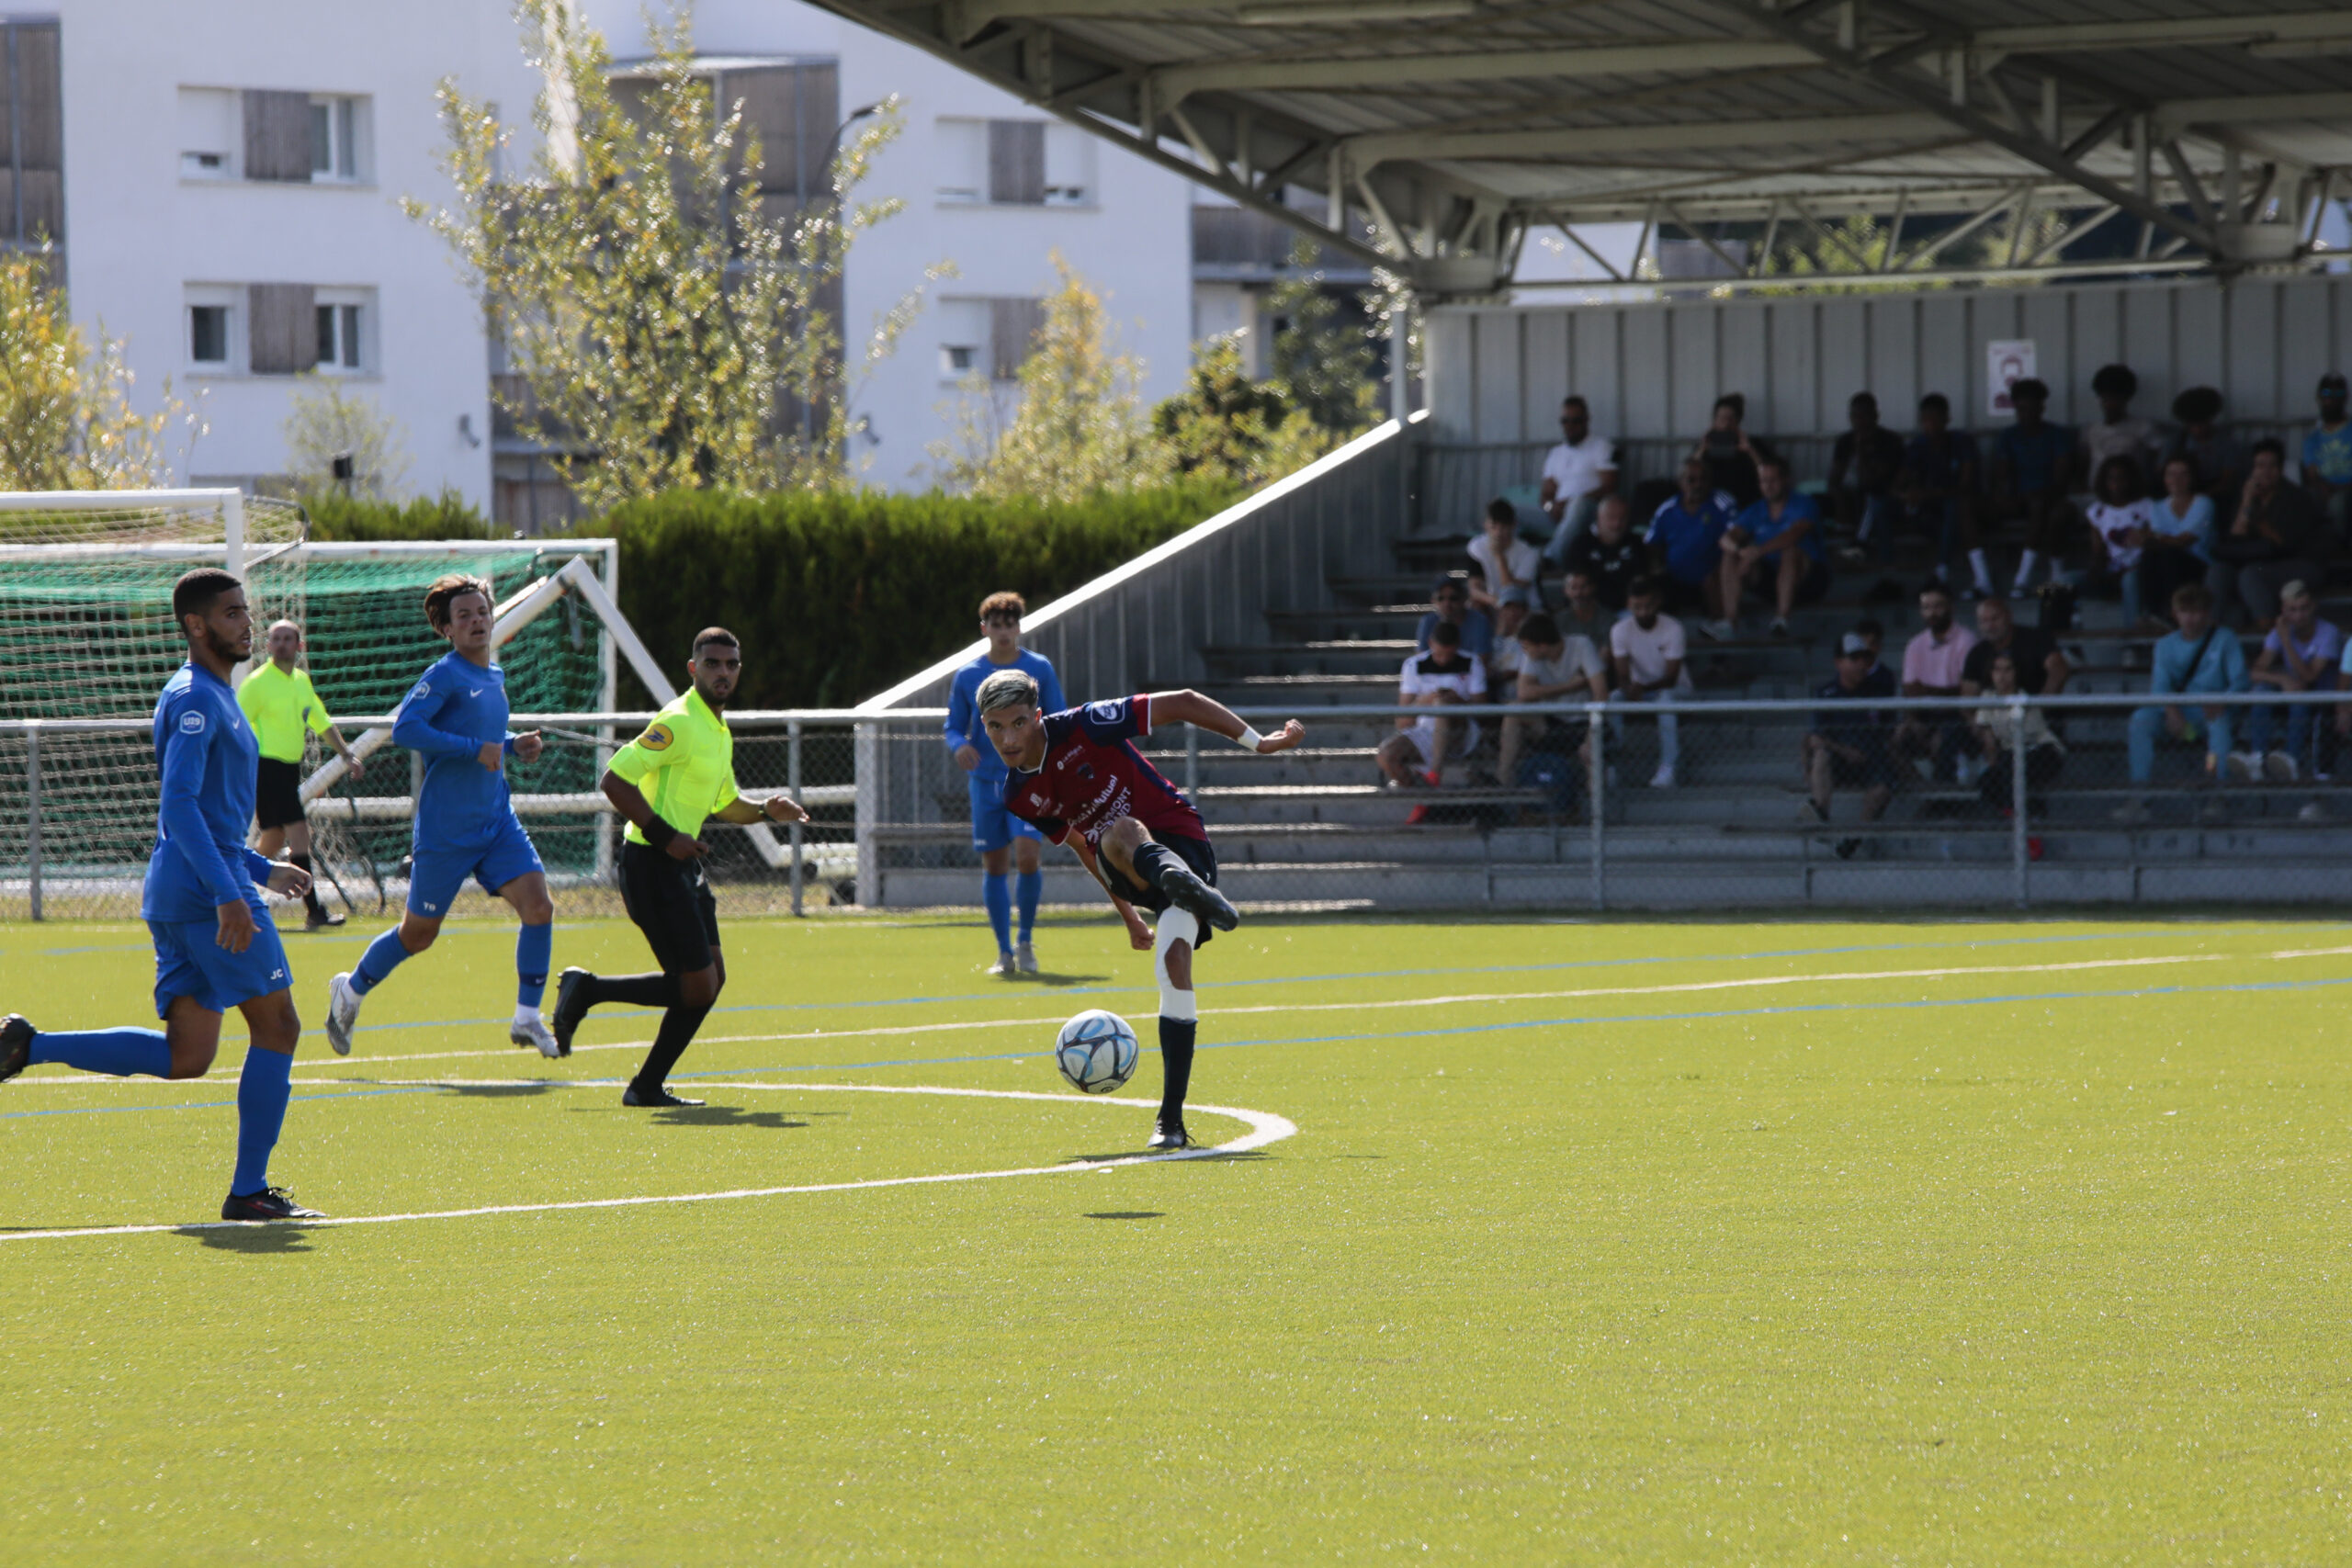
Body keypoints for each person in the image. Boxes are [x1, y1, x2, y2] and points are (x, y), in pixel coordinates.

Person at [0, 570, 321, 1221]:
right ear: (196, 625)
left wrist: (259, 873)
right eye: (231, 613)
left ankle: (25, 1044)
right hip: (206, 896)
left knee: (188, 1055)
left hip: (185, 890)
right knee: (279, 1026)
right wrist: (233, 894)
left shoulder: (213, 693)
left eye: (245, 611)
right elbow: (178, 806)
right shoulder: (196, 698)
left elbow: (206, 815)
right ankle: (249, 1191)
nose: (246, 623)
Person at [980, 670, 1306, 1151]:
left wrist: (1258, 744)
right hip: (1125, 868)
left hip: (1182, 840)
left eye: (1019, 722)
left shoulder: (1086, 725)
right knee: (1115, 834)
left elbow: (1185, 701)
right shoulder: (1016, 794)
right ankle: (1177, 884)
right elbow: (1080, 846)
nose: (1008, 738)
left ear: (1039, 716)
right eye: (995, 726)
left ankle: (1170, 1122)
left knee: (1173, 965)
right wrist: (1128, 915)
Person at [550, 629, 811, 1106]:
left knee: (710, 981)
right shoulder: (678, 721)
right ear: (693, 669)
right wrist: (666, 836)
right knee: (696, 986)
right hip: (650, 864)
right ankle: (587, 991)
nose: (723, 673)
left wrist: (764, 811)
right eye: (713, 664)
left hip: (681, 865)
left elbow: (724, 804)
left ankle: (645, 1084)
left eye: (732, 665)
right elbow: (615, 780)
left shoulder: (716, 727)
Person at [325, 574, 560, 1059]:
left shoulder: (493, 674)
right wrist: (478, 749)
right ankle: (350, 990)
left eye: (482, 612)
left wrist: (515, 746)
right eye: (464, 616)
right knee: (419, 935)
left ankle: (527, 1017)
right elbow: (408, 728)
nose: (477, 621)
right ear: (448, 630)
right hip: (445, 831)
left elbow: (487, 737)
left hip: (496, 822)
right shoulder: (445, 674)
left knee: (539, 907)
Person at [944, 592, 1067, 976]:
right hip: (985, 783)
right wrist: (960, 744)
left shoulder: (1038, 668)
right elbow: (952, 726)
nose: (1003, 631)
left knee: (1028, 857)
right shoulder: (967, 675)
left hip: (1029, 779)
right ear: (984, 629)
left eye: (1009, 623)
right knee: (994, 864)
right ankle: (1003, 952)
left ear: (1019, 626)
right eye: (995, 624)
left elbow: (1059, 717)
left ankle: (1026, 940)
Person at [236, 618, 364, 931]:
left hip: (287, 771)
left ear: (299, 646)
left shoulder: (301, 682)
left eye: (287, 638)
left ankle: (233, 894)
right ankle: (314, 911)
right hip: (266, 768)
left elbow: (321, 722)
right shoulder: (257, 682)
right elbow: (234, 724)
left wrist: (348, 755)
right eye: (275, 639)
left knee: (274, 837)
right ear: (268, 646)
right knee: (299, 835)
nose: (281, 644)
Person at [2115, 582, 2249, 823]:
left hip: (2210, 712)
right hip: (2177, 715)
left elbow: (2240, 681)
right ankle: (2139, 797)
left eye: (2196, 611)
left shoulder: (2225, 639)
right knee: (2140, 720)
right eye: (2184, 612)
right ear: (2175, 614)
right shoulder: (2165, 645)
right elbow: (2160, 687)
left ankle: (2217, 795)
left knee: (2219, 725)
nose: (2191, 618)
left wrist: (2223, 701)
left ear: (2207, 613)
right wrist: (2171, 710)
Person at [2209, 439, 2328, 626]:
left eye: (2272, 466)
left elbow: (2284, 544)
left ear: (2281, 468)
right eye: (2260, 466)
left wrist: (2258, 519)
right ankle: (2209, 629)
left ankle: (2266, 631)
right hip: (2260, 561)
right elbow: (2234, 540)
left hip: (2300, 563)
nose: (2266, 471)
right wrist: (2247, 503)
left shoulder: (2297, 497)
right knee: (2219, 571)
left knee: (2251, 574)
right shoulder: (2246, 496)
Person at [1498, 611, 1607, 815]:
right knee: (1513, 711)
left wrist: (1592, 734)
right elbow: (1524, 692)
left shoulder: (1581, 645)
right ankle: (1504, 783)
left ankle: (1596, 815)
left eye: (1526, 646)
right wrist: (1570, 686)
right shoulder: (1533, 656)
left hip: (1584, 722)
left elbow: (1601, 692)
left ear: (1542, 645)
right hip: (1551, 721)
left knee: (1588, 752)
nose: (1524, 651)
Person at [1712, 453, 1829, 640]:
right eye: (1763, 481)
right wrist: (1741, 552)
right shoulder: (1756, 509)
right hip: (1770, 579)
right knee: (1729, 555)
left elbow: (1794, 534)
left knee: (1790, 549)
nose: (1768, 486)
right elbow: (1726, 538)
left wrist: (1757, 552)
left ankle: (1782, 619)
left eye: (1773, 480)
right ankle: (1730, 622)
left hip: (1807, 579)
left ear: (1786, 479)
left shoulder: (1804, 504)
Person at [1804, 632, 1901, 853]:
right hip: (1840, 760)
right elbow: (1816, 738)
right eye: (1853, 659)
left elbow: (1890, 729)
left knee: (1882, 790)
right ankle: (1822, 814)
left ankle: (1854, 838)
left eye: (1864, 659)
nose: (1861, 664)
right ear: (1838, 663)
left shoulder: (1877, 690)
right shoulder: (1826, 694)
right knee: (1821, 756)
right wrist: (1844, 751)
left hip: (1872, 759)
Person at [2238, 581, 2343, 783]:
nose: (2298, 616)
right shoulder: (2278, 632)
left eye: (2304, 608)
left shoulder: (2328, 632)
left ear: (2313, 606)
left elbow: (2309, 676)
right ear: (2283, 611)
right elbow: (2255, 672)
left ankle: (2291, 759)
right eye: (2292, 610)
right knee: (2263, 691)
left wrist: (2286, 641)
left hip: (2322, 698)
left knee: (2298, 695)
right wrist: (2282, 678)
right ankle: (2257, 757)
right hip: (2293, 691)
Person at [1378, 619, 1487, 807]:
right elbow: (1402, 721)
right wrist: (1424, 702)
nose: (1443, 660)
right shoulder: (1413, 665)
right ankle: (1423, 798)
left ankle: (1435, 773)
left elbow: (1483, 710)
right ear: (1430, 644)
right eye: (1439, 655)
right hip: (1425, 730)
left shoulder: (1472, 662)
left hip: (1460, 730)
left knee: (1442, 704)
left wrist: (1456, 700)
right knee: (1386, 755)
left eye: (1448, 656)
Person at [1895, 392, 1993, 598]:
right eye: (1925, 420)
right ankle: (1894, 574)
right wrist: (1908, 492)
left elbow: (1965, 486)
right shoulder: (1918, 445)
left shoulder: (1961, 442)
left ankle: (1947, 574)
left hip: (1967, 510)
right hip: (1931, 515)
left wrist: (1928, 494)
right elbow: (1899, 482)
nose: (1929, 425)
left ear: (1946, 419)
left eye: (1934, 419)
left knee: (1956, 508)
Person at [1989, 378, 2077, 596]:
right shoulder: (2009, 436)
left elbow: (2061, 477)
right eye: (2020, 408)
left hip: (2049, 497)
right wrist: (2004, 494)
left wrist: (2040, 495)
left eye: (2031, 408)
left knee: (2053, 513)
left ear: (2041, 408)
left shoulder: (2057, 435)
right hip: (2018, 500)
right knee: (1970, 509)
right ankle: (1985, 580)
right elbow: (2002, 473)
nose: (2026, 413)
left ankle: (2027, 579)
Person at [1609, 576, 1689, 788]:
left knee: (1665, 699)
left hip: (1676, 690)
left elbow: (1671, 678)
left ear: (1658, 602)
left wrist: (1641, 688)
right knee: (1613, 698)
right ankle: (1610, 765)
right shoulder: (1619, 630)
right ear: (1628, 604)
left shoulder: (1673, 628)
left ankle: (1668, 766)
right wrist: (1628, 689)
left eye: (1648, 606)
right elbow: (1622, 674)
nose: (1643, 612)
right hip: (1640, 689)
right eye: (1637, 607)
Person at [1894, 581, 1978, 781]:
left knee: (1942, 741)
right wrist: (1912, 719)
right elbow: (1910, 689)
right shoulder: (1915, 644)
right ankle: (1925, 790)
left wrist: (1926, 691)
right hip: (1923, 714)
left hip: (1957, 714)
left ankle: (1944, 800)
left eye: (1938, 606)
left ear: (1951, 607)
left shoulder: (1967, 640)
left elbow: (1963, 691)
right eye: (1926, 608)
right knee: (1894, 739)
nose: (1932, 613)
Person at [1969, 651, 2065, 812]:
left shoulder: (2024, 698)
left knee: (2012, 767)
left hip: (2042, 752)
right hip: (2010, 756)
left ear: (2016, 673)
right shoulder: (1987, 697)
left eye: (2008, 670)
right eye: (1997, 670)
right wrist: (1993, 763)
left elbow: (2029, 739)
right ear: (1991, 673)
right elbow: (1988, 736)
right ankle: (2015, 817)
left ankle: (2025, 819)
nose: (2002, 676)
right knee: (1987, 780)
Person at [1645, 457, 1736, 619]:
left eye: (1703, 479)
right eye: (1691, 480)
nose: (1698, 485)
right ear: (1679, 482)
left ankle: (1721, 628)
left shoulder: (1722, 502)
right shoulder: (1666, 510)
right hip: (1676, 579)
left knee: (1714, 578)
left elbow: (1736, 536)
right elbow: (1650, 544)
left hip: (1714, 578)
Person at [2134, 455, 2216, 627]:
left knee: (2169, 554)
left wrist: (2154, 537)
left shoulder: (2203, 503)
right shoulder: (2157, 507)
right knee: (2150, 555)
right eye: (2171, 474)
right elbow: (2156, 542)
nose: (2176, 479)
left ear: (2192, 477)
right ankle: (2152, 613)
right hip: (2166, 562)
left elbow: (2184, 541)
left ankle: (2170, 613)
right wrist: (2152, 538)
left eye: (2183, 474)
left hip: (2198, 564)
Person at [2084, 454, 2165, 627]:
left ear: (2131, 480)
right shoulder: (2096, 511)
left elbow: (2157, 544)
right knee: (2058, 584)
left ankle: (2131, 640)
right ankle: (2057, 640)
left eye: (2122, 478)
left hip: (2139, 571)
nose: (2117, 483)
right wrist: (2096, 569)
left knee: (2129, 579)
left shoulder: (2147, 506)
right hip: (2111, 572)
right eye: (2112, 478)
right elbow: (2098, 550)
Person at [1535, 396, 1618, 563]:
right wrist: (1551, 507)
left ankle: (1551, 558)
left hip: (1589, 510)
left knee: (1578, 504)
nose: (1570, 426)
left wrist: (1569, 503)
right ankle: (1504, 565)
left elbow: (1610, 486)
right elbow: (1546, 494)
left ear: (1587, 420)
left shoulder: (1602, 447)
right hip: (1558, 512)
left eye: (1576, 421)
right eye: (1565, 421)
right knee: (1509, 510)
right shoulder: (1556, 453)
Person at [1828, 391, 1906, 563]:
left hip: (1883, 498)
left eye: (1864, 416)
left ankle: (1862, 544)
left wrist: (1861, 450)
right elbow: (1834, 478)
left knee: (1874, 499)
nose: (1860, 421)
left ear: (1875, 416)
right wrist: (1839, 501)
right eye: (1855, 416)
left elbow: (1872, 481)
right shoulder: (1845, 441)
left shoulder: (1889, 441)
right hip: (1851, 499)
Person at [1960, 594, 2070, 698]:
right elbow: (1968, 698)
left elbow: (2058, 669)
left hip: (2036, 714)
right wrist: (1977, 718)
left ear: (2009, 616)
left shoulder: (2035, 639)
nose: (1990, 626)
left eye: (1995, 619)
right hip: (1991, 715)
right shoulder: (1976, 653)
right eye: (1983, 621)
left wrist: (2041, 707)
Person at [2078, 364, 2163, 497]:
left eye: (2116, 399)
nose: (2110, 404)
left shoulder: (2143, 427)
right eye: (2106, 399)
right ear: (2100, 399)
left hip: (2131, 494)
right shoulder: (2090, 430)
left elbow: (2160, 458)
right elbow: (2083, 463)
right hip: (2095, 493)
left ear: (2126, 399)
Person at [2160, 387, 2246, 515]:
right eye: (2192, 424)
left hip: (2215, 495)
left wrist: (2199, 498)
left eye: (2201, 423)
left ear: (2210, 419)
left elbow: (2227, 481)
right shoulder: (2177, 441)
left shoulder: (2227, 444)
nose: (2197, 429)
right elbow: (2161, 470)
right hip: (2181, 491)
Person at [1558, 494, 1650, 612]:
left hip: (1627, 611)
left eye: (1622, 518)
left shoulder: (1636, 544)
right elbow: (1574, 586)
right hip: (1591, 611)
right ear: (1598, 518)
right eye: (1611, 518)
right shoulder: (1581, 545)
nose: (1616, 524)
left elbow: (1641, 581)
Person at [1467, 499, 1541, 613]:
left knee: (1511, 609)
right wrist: (1495, 601)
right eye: (1494, 526)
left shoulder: (1528, 553)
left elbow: (1511, 589)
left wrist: (1500, 556)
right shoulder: (1477, 547)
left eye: (1503, 527)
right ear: (1486, 525)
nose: (1498, 533)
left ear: (1513, 525)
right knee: (1474, 605)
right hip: (1494, 603)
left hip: (1524, 606)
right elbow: (1474, 589)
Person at [1692, 393, 1764, 508]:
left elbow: (1766, 471)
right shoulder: (1704, 446)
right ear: (1714, 420)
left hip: (1745, 502)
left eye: (1730, 418)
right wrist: (1702, 450)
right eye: (1721, 418)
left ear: (1738, 420)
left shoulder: (1752, 444)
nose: (1726, 423)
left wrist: (1750, 450)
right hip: (1711, 504)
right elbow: (1689, 473)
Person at [2303, 371, 2351, 539]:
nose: (2332, 398)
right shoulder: (2313, 439)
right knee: (2305, 499)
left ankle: (2343, 549)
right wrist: (2323, 487)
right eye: (2326, 393)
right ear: (2319, 397)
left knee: (2339, 503)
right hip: (2325, 490)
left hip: (2348, 491)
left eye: (2338, 393)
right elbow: (2312, 474)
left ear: (2345, 397)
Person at [1415, 575, 1494, 660]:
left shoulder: (1479, 621)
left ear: (1464, 599)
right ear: (1433, 601)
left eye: (1453, 598)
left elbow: (1481, 661)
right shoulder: (1427, 621)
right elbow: (1421, 659)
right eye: (1440, 598)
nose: (1447, 603)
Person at [1554, 566, 1615, 654]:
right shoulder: (1559, 620)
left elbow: (1606, 652)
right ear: (1565, 591)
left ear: (1593, 587)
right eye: (1573, 588)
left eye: (1583, 587)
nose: (1578, 593)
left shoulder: (1608, 618)